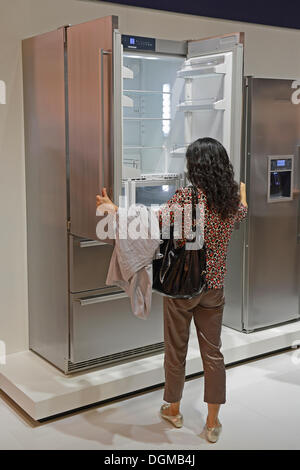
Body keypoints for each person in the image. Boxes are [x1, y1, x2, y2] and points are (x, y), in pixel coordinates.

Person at [96, 137, 248, 443]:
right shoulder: (230, 202)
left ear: (194, 167)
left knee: (176, 352)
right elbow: (243, 208)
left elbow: (149, 223)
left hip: (183, 290)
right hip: (214, 290)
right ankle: (213, 422)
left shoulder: (186, 200)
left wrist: (114, 209)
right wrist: (240, 188)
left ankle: (174, 410)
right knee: (213, 354)